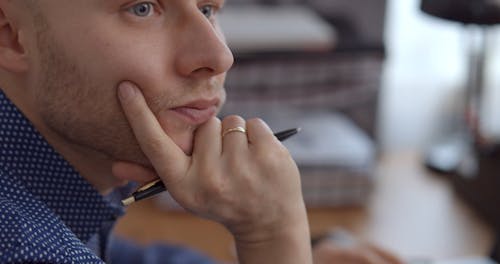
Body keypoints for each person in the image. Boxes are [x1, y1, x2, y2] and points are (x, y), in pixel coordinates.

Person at [0, 0, 402, 263]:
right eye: (142, 8)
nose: (219, 56)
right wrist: (272, 235)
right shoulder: (27, 247)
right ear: (11, 36)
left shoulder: (60, 188)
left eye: (208, 9)